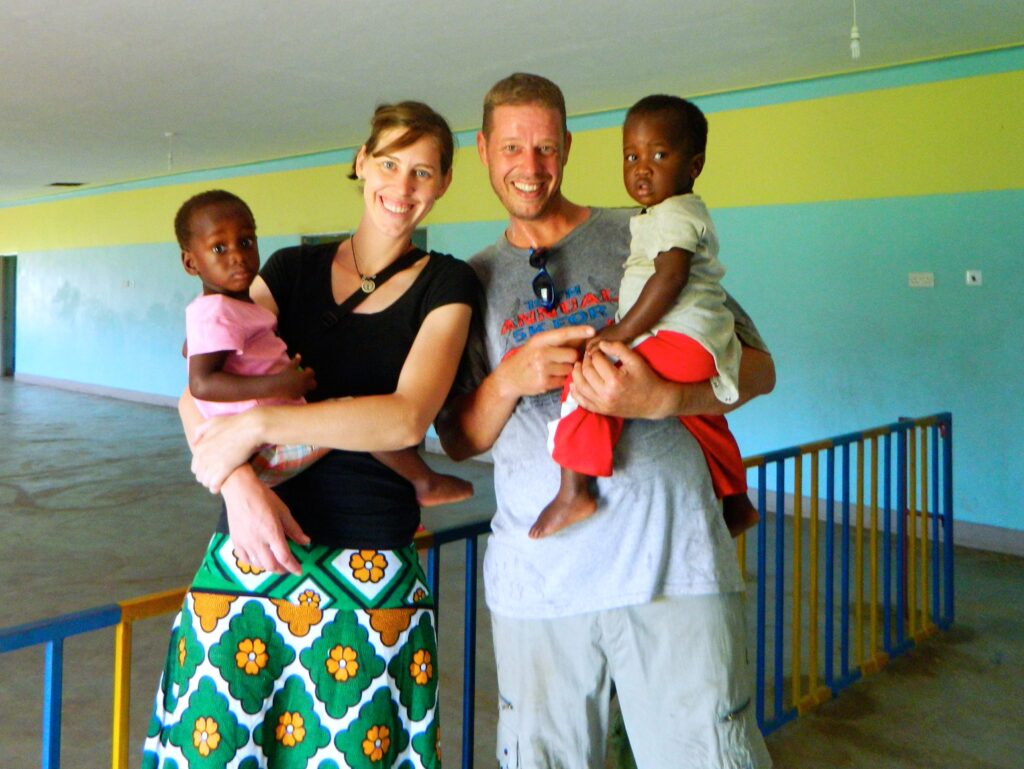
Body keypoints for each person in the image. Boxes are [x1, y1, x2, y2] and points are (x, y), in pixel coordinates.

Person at [436, 74, 775, 769]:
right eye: (512, 148)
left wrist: (660, 400)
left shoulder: (645, 231)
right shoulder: (466, 281)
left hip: (675, 566)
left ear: (567, 148)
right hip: (541, 585)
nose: (530, 167)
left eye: (546, 148)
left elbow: (758, 369)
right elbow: (460, 439)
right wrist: (511, 378)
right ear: (482, 150)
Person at [143, 101, 479, 769]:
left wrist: (266, 422)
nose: (402, 185)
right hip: (252, 545)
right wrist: (237, 483)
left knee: (352, 750)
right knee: (217, 746)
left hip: (371, 561)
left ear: (442, 184)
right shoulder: (289, 273)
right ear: (360, 163)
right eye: (388, 163)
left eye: (422, 171)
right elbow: (196, 393)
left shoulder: (447, 283)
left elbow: (404, 416)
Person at [534, 94, 758, 539]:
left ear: (693, 165)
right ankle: (736, 500)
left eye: (659, 154)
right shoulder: (670, 213)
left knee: (588, 379)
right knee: (704, 416)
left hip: (677, 336)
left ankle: (574, 488)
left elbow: (669, 279)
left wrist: (620, 331)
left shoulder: (674, 213)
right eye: (631, 156)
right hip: (701, 346)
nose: (642, 167)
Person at [178, 187, 472, 501]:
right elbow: (201, 384)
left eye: (246, 242)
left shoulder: (235, 306)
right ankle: (424, 482)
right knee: (351, 414)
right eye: (219, 248)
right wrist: (279, 384)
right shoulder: (216, 310)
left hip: (266, 439)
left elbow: (194, 350)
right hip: (265, 450)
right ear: (191, 263)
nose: (237, 255)